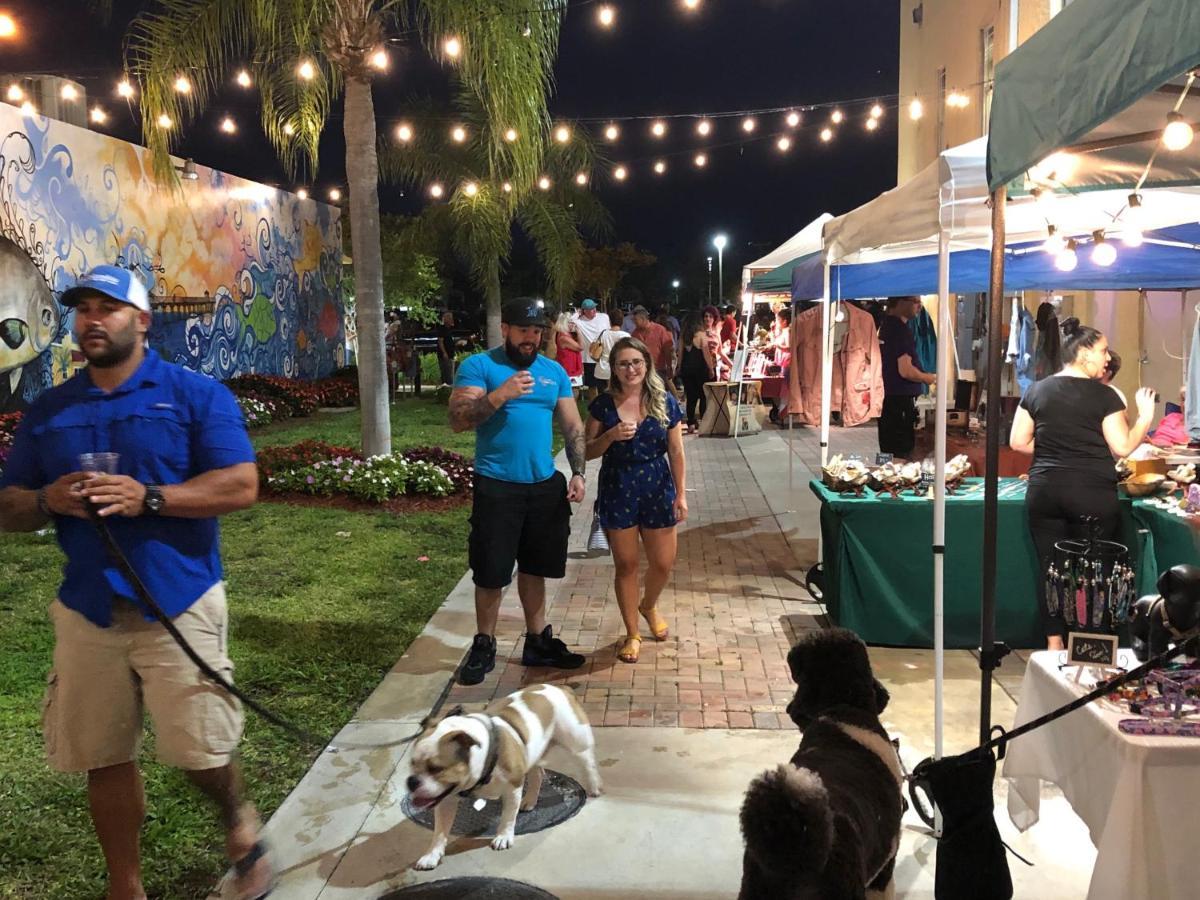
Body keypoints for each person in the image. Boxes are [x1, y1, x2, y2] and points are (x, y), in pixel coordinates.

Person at [0, 265, 270, 900]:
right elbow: (6, 505)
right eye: (83, 309)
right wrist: (48, 498)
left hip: (178, 601)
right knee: (104, 754)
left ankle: (237, 817)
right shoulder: (51, 409)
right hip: (87, 609)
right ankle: (126, 885)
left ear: (142, 321)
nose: (93, 319)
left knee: (200, 752)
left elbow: (241, 485)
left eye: (109, 308)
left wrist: (148, 497)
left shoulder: (194, 396)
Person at [449, 299, 590, 685]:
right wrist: (500, 394)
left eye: (537, 331)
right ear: (506, 329)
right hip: (497, 485)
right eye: (524, 330)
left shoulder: (553, 371)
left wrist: (578, 472)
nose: (531, 338)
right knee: (491, 571)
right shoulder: (480, 366)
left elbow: (573, 426)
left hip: (543, 486)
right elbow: (458, 420)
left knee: (535, 567)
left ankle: (537, 640)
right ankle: (484, 644)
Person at [1009, 318, 1157, 651]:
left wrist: (1054, 448)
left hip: (1045, 490)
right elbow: (1121, 447)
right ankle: (1091, 647)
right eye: (1103, 351)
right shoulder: (1104, 395)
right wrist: (1145, 416)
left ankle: (1054, 643)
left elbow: (1018, 441)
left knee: (1051, 569)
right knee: (1096, 570)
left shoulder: (1036, 389)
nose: (1107, 359)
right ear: (1084, 352)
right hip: (1090, 492)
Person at [585, 337, 687, 664]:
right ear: (613, 369)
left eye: (636, 362)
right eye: (623, 363)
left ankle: (649, 604)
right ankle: (632, 632)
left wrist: (681, 493)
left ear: (647, 364)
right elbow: (586, 451)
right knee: (626, 564)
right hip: (618, 484)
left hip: (657, 484)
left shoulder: (664, 401)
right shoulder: (603, 405)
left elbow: (676, 450)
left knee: (662, 562)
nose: (631, 369)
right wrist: (610, 436)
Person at [878, 296, 936, 459]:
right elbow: (905, 370)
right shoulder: (899, 330)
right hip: (899, 401)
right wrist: (927, 378)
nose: (920, 305)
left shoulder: (887, 326)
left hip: (889, 399)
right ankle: (895, 481)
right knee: (900, 450)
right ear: (901, 302)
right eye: (915, 301)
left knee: (888, 448)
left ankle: (886, 477)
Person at [679, 317, 715, 434]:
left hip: (687, 371)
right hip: (700, 370)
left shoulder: (683, 337)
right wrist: (710, 368)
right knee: (703, 396)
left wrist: (678, 368)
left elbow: (680, 355)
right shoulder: (701, 335)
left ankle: (690, 423)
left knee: (691, 397)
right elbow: (706, 354)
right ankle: (703, 422)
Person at [571, 298, 611, 400]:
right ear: (584, 311)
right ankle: (595, 405)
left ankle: (607, 402)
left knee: (606, 384)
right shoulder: (579, 322)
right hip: (589, 358)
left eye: (594, 308)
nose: (594, 310)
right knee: (592, 386)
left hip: (603, 356)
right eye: (591, 309)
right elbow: (569, 320)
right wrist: (578, 313)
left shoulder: (603, 317)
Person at [631, 305, 675, 386]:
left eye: (636, 320)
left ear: (643, 319)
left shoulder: (660, 330)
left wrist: (669, 367)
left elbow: (667, 350)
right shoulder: (635, 334)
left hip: (658, 370)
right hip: (642, 370)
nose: (634, 323)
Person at [592, 308, 630, 390]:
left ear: (610, 321)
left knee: (604, 397)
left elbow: (593, 346)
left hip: (602, 369)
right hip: (618, 369)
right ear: (622, 321)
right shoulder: (625, 336)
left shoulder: (603, 333)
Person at [554, 311, 584, 391]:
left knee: (574, 390)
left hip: (571, 368)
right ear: (565, 323)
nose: (573, 325)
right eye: (571, 323)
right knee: (573, 391)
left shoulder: (566, 335)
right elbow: (581, 347)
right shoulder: (564, 338)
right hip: (569, 369)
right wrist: (579, 332)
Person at [435, 310, 456, 386]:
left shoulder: (450, 329)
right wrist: (444, 353)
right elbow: (440, 342)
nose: (451, 319)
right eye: (449, 318)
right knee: (446, 374)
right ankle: (446, 388)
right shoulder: (442, 329)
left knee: (450, 373)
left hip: (451, 354)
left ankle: (449, 387)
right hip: (445, 355)